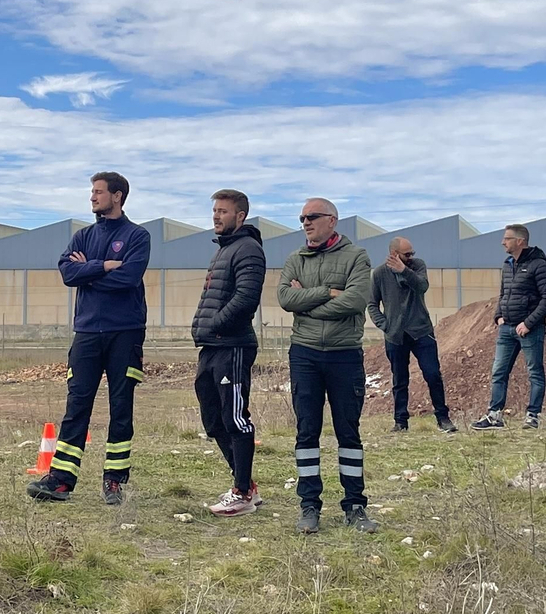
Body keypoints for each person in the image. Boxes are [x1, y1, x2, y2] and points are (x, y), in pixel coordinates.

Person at [28, 172, 151, 506]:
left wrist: (91, 273)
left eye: (98, 192)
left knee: (120, 406)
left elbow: (128, 279)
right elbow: (68, 273)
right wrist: (104, 266)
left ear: (118, 196)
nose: (92, 197)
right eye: (91, 192)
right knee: (77, 403)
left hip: (124, 332)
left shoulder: (138, 236)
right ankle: (61, 480)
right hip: (86, 333)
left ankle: (114, 480)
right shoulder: (82, 236)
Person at [277, 198, 378, 534]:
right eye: (302, 217)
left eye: (312, 217)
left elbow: (356, 300)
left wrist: (307, 304)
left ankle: (355, 505)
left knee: (348, 432)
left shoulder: (356, 257)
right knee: (307, 430)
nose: (306, 222)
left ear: (332, 221)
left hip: (344, 354)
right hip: (304, 354)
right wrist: (326, 293)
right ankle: (309, 505)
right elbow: (285, 299)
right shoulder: (295, 259)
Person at [190, 189, 267, 516]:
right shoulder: (224, 250)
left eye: (223, 211)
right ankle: (245, 483)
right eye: (215, 211)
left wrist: (217, 325)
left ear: (240, 216)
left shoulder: (248, 249)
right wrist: (203, 329)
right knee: (213, 418)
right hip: (212, 345)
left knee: (235, 418)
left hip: (232, 345)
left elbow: (246, 298)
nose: (216, 216)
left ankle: (242, 493)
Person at [472, 224, 546, 430]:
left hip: (530, 331)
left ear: (520, 241)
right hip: (506, 329)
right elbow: (503, 294)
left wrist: (528, 323)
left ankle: (533, 416)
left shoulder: (539, 266)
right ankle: (494, 416)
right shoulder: (507, 264)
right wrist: (498, 315)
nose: (503, 242)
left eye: (507, 239)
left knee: (534, 372)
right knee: (498, 372)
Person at [370, 237, 455, 433]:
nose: (411, 257)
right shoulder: (380, 274)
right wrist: (385, 325)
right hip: (395, 335)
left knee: (433, 375)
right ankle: (400, 422)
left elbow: (421, 286)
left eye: (411, 253)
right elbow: (372, 304)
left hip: (422, 332)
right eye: (407, 254)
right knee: (400, 379)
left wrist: (403, 270)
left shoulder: (417, 266)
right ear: (394, 254)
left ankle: (443, 418)